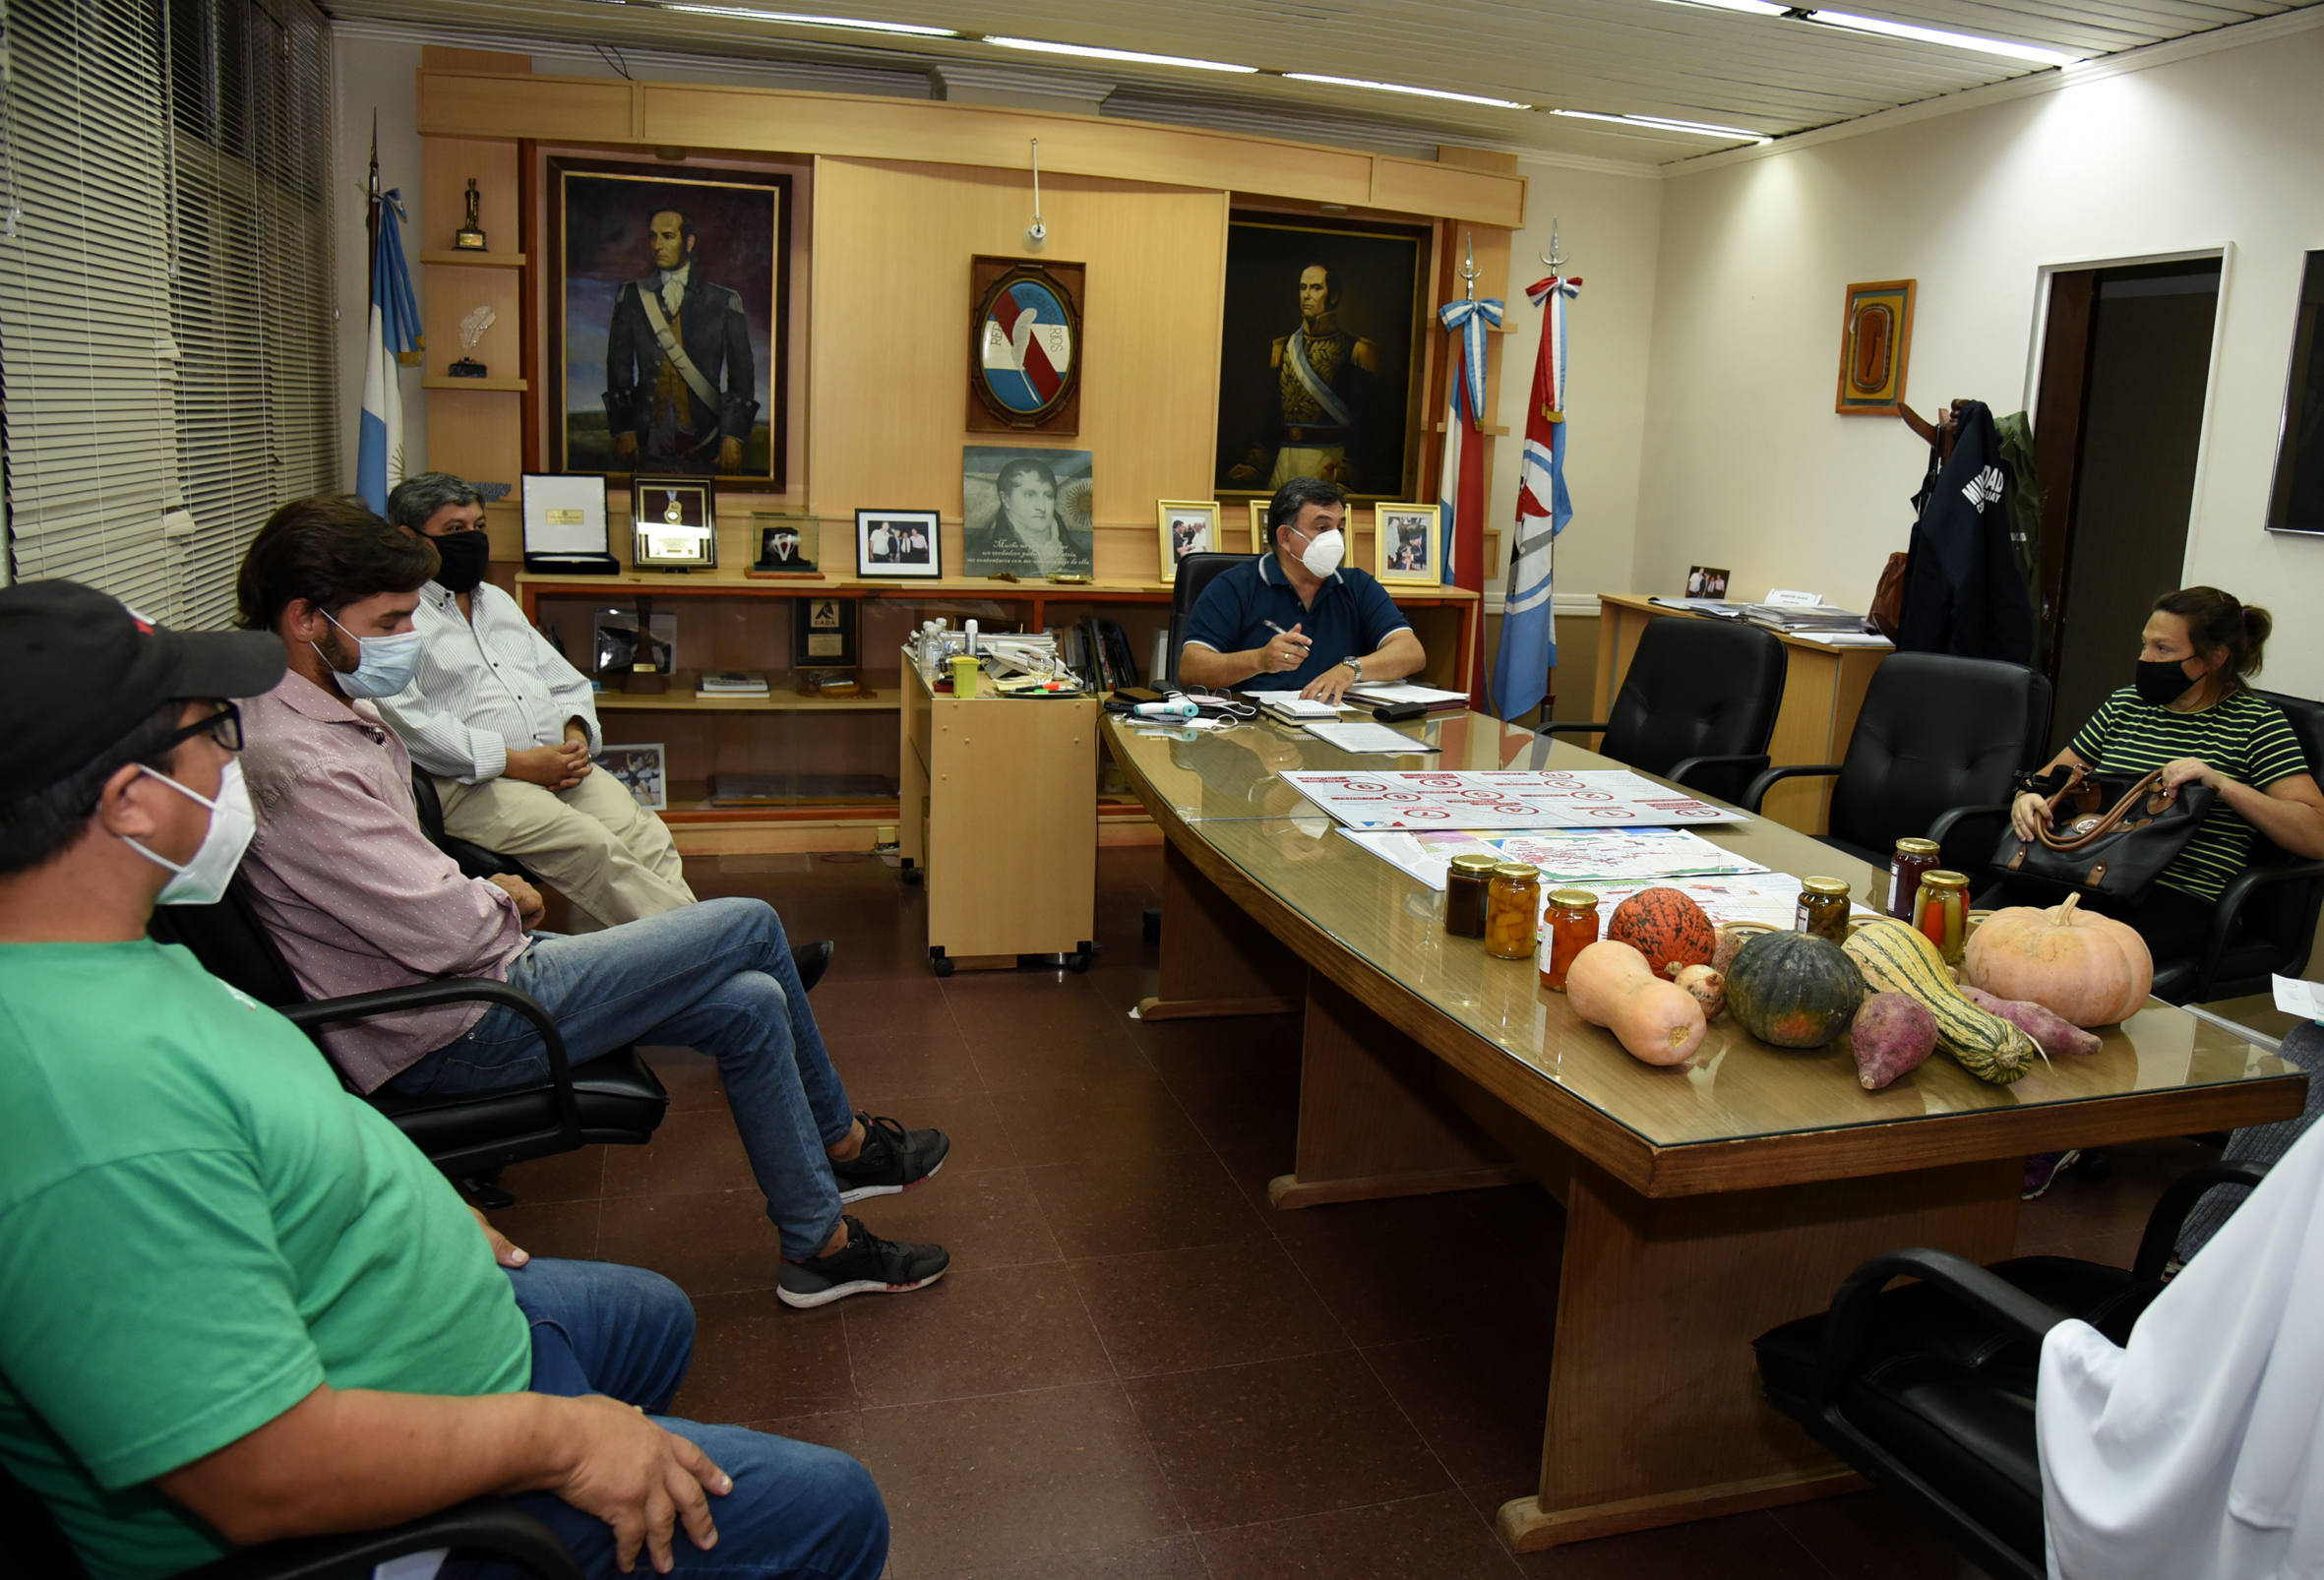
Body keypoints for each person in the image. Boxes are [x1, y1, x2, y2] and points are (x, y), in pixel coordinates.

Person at [0, 580, 888, 1580]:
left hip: (407, 1303)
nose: (236, 752)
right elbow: (262, 1476)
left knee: (654, 1305)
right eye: (214, 729)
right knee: (835, 1508)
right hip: (385, 1520)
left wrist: (421, 1202)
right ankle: (842, 1160)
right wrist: (565, 1440)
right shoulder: (82, 1107)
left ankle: (820, 1220)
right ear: (132, 801)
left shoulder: (104, 954)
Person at [231, 496, 949, 1308]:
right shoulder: (300, 761)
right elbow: (438, 927)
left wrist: (482, 896)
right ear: (304, 618)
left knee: (750, 1001)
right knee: (751, 924)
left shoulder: (322, 710)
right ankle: (845, 1144)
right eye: (392, 622)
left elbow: (407, 890)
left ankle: (819, 1245)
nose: (405, 639)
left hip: (470, 978)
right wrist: (504, 898)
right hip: (458, 1023)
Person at [378, 472, 696, 929]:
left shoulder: (499, 602)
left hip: (558, 768)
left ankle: (697, 944)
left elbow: (567, 683)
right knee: (591, 845)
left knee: (645, 835)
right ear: (409, 538)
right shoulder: (398, 615)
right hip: (470, 784)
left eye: (479, 526)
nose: (473, 539)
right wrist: (520, 765)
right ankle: (709, 952)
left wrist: (574, 735)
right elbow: (410, 724)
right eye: (455, 530)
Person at [1984, 587, 2324, 962]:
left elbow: (2316, 834)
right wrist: (2026, 799)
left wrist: (2221, 783)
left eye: (2163, 650)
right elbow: (2049, 781)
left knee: (2059, 963)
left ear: (2214, 657)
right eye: (2145, 645)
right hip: (2078, 874)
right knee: (1975, 933)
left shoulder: (2256, 724)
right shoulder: (2125, 705)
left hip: (2175, 893)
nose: (2144, 658)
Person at [1179, 476, 1429, 705]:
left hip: (1337, 723)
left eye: (1338, 528)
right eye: (1322, 528)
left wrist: (1351, 668)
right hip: (1253, 728)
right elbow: (1191, 669)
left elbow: (1411, 652)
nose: (1336, 539)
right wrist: (1259, 660)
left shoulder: (1357, 586)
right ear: (1286, 537)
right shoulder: (1234, 586)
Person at [604, 207, 757, 475]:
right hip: (646, 436)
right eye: (653, 237)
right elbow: (619, 368)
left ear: (688, 242)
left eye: (667, 237)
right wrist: (625, 430)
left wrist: (732, 436)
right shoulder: (631, 297)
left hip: (705, 437)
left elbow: (741, 374)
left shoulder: (724, 302)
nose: (657, 246)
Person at [1225, 263, 1379, 492]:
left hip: (1326, 460)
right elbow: (1275, 411)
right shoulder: (1286, 346)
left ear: (1334, 297)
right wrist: (1257, 465)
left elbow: (1363, 418)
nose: (1306, 295)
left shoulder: (1354, 350)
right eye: (1302, 287)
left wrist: (1347, 477)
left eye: (1316, 288)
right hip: (1284, 461)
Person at [963, 456, 1093, 577]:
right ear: (1006, 499)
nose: (1041, 507)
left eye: (1048, 496)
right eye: (1029, 495)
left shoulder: (1084, 559)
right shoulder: (977, 562)